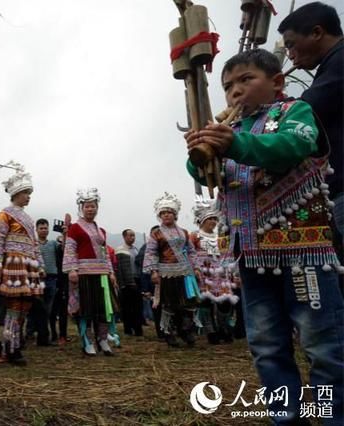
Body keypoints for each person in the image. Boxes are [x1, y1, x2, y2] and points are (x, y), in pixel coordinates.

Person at [185, 48, 344, 424]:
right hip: (251, 257)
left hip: (305, 254)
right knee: (267, 346)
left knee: (322, 343)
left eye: (246, 80)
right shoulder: (229, 130)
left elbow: (292, 147)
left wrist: (233, 145)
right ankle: (286, 418)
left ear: (277, 83)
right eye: (227, 86)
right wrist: (197, 156)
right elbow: (205, 176)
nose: (235, 91)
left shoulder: (295, 113)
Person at [278, 3, 344, 260]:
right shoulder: (330, 66)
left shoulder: (339, 62)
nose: (291, 55)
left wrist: (268, 108)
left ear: (317, 32)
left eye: (292, 44)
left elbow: (307, 109)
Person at [0, 161, 45, 365]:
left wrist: (40, 264)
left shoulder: (28, 218)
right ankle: (9, 347)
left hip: (28, 265)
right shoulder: (5, 213)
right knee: (14, 305)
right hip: (13, 263)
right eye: (25, 193)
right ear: (15, 194)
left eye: (29, 193)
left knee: (25, 306)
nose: (28, 196)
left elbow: (34, 244)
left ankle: (14, 343)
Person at [63, 188, 117, 356]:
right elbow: (70, 249)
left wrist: (111, 272)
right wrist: (72, 269)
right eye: (87, 206)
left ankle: (102, 339)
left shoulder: (101, 231)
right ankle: (88, 341)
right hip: (83, 273)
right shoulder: (75, 228)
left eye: (93, 206)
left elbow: (105, 253)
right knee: (85, 309)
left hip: (101, 274)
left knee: (103, 308)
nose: (90, 209)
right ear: (81, 207)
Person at [142, 192, 200, 348]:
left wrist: (196, 267)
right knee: (169, 304)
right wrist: (153, 271)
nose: (166, 215)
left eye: (169, 212)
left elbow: (191, 251)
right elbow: (151, 252)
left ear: (175, 214)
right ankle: (169, 332)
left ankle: (186, 330)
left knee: (187, 303)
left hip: (184, 273)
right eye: (163, 213)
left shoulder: (184, 232)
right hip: (166, 274)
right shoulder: (156, 233)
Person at [189, 198, 238, 345]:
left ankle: (225, 329)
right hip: (203, 274)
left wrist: (232, 273)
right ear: (202, 221)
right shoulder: (194, 236)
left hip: (221, 274)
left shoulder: (220, 237)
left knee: (224, 303)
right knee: (206, 303)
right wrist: (195, 269)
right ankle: (211, 332)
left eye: (214, 219)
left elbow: (228, 255)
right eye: (210, 219)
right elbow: (190, 254)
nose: (213, 222)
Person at [115, 229, 143, 337]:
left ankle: (138, 329)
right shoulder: (120, 250)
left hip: (136, 279)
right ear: (124, 237)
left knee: (137, 306)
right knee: (127, 307)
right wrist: (121, 284)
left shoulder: (136, 250)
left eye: (134, 235)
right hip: (126, 282)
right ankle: (128, 329)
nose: (133, 237)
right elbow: (119, 269)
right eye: (130, 235)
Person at [51, 234, 69, 344]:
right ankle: (53, 334)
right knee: (52, 311)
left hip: (65, 283)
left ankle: (63, 334)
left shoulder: (69, 253)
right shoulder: (55, 250)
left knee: (63, 311)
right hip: (54, 281)